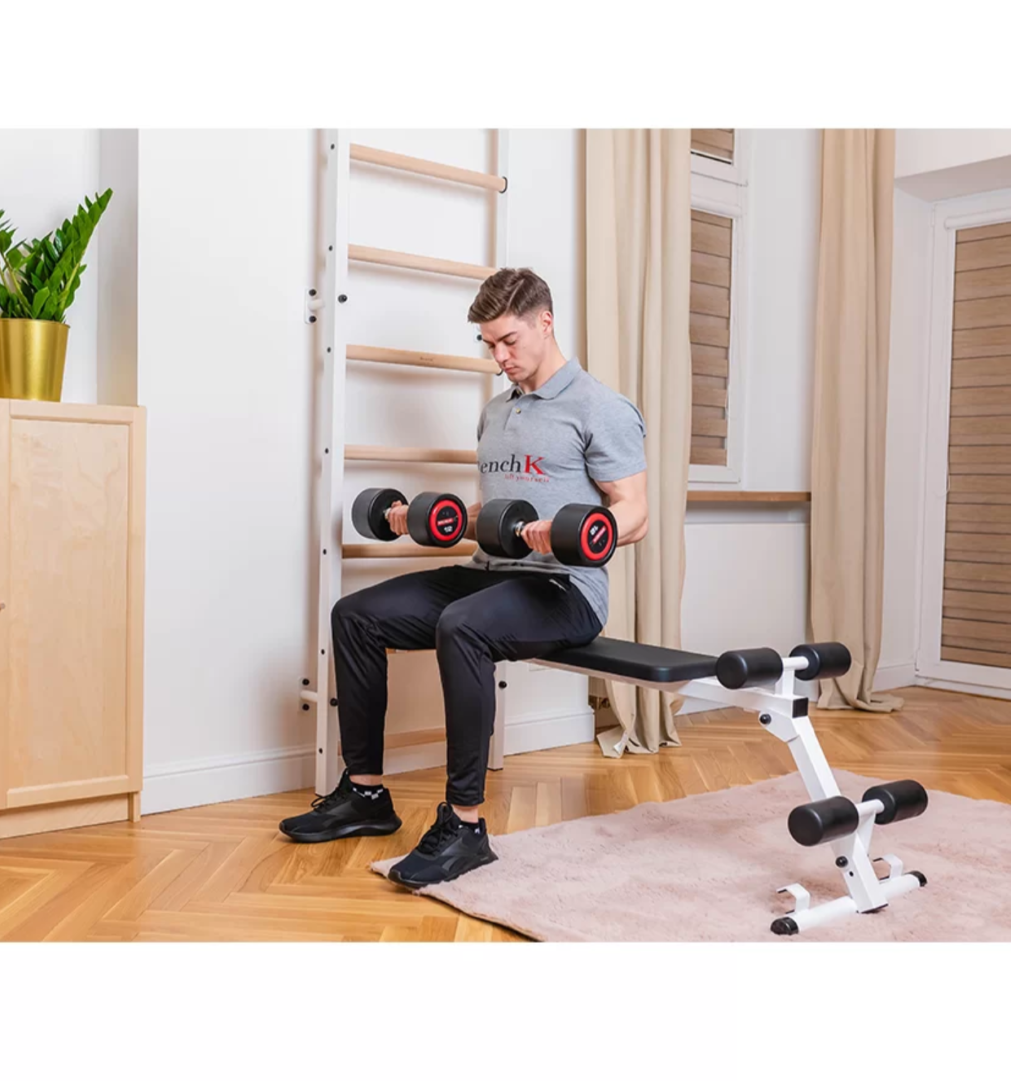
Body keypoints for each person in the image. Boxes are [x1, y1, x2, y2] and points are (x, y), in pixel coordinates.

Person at [279, 268, 649, 888]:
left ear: (545, 322)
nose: (499, 357)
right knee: (357, 616)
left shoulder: (600, 408)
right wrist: (424, 517)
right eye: (489, 345)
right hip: (491, 573)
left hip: (563, 588)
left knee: (464, 626)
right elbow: (494, 514)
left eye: (508, 340)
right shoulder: (495, 413)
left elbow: (634, 514)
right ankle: (366, 795)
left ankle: (465, 824)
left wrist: (569, 528)